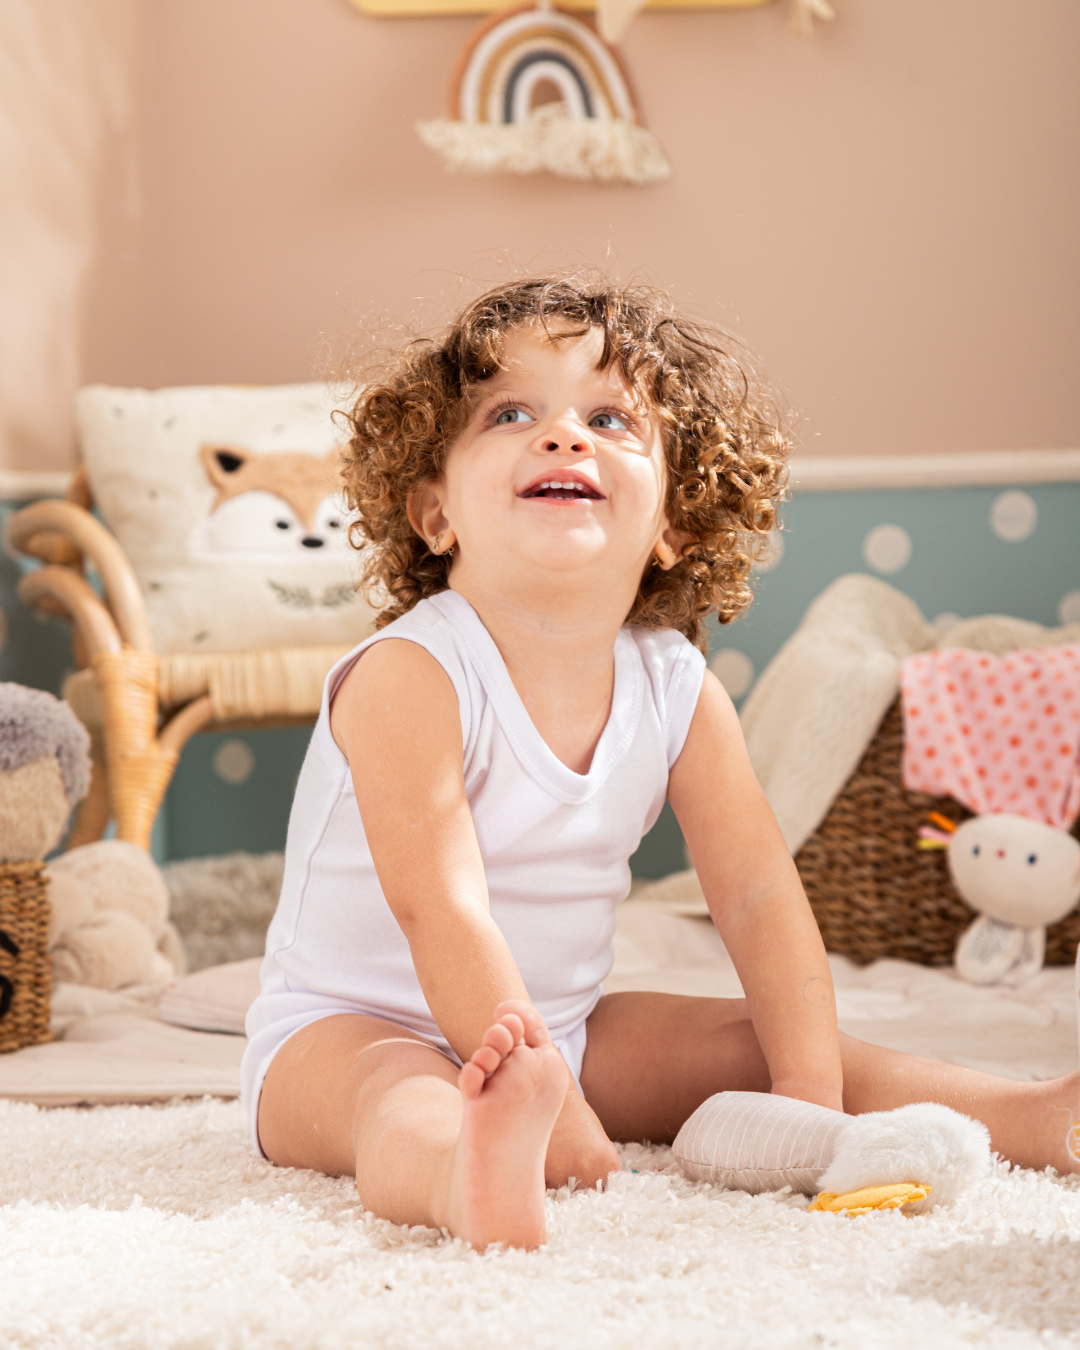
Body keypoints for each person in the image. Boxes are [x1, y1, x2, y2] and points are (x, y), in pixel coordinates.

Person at [241, 276, 1079, 1250]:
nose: (562, 435)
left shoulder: (675, 689)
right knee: (402, 1095)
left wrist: (803, 1092)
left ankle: (1037, 1116)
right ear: (434, 511)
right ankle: (462, 1175)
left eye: (608, 417)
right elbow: (443, 904)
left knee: (746, 1039)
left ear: (676, 521)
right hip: (344, 1031)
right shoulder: (412, 673)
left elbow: (761, 896)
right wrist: (543, 1103)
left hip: (569, 1028)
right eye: (511, 412)